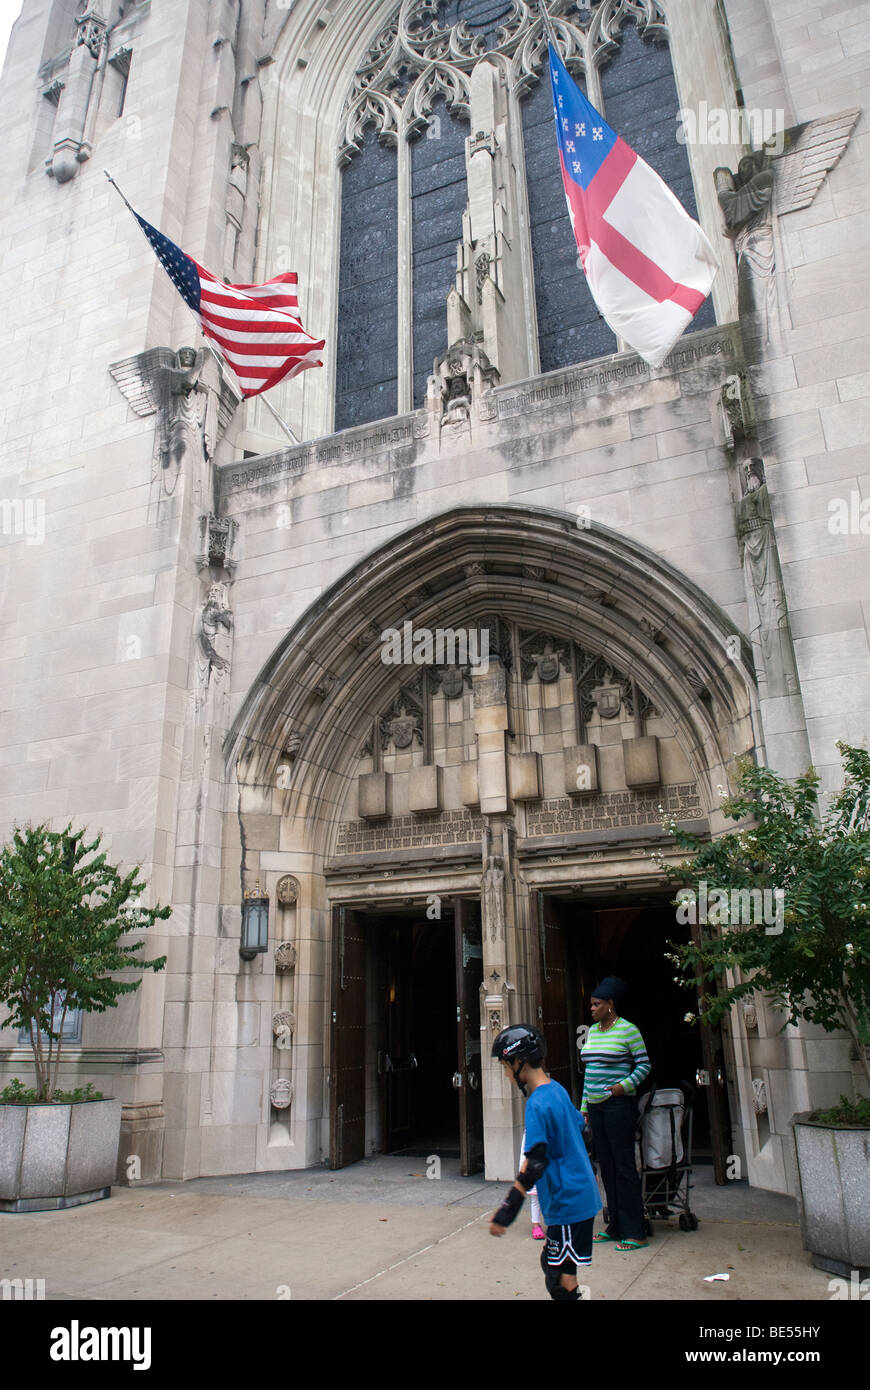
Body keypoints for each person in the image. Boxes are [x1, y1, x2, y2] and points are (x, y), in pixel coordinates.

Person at [489, 1024, 601, 1300]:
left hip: (567, 1201)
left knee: (559, 1280)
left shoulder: (537, 1104)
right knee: (560, 1270)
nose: (505, 1074)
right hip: (579, 1197)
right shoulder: (557, 1090)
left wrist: (506, 1212)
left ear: (519, 1062)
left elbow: (535, 1164)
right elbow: (582, 1127)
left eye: (505, 1066)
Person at [580, 976, 651, 1251]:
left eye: (597, 1004)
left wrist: (625, 1086)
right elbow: (589, 1074)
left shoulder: (628, 1030)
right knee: (607, 1167)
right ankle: (615, 1225)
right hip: (596, 1107)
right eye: (591, 1005)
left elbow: (644, 1065)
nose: (592, 1009)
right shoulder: (594, 1032)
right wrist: (584, 1107)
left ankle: (636, 1230)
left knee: (623, 1166)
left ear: (610, 1004)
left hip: (618, 1106)